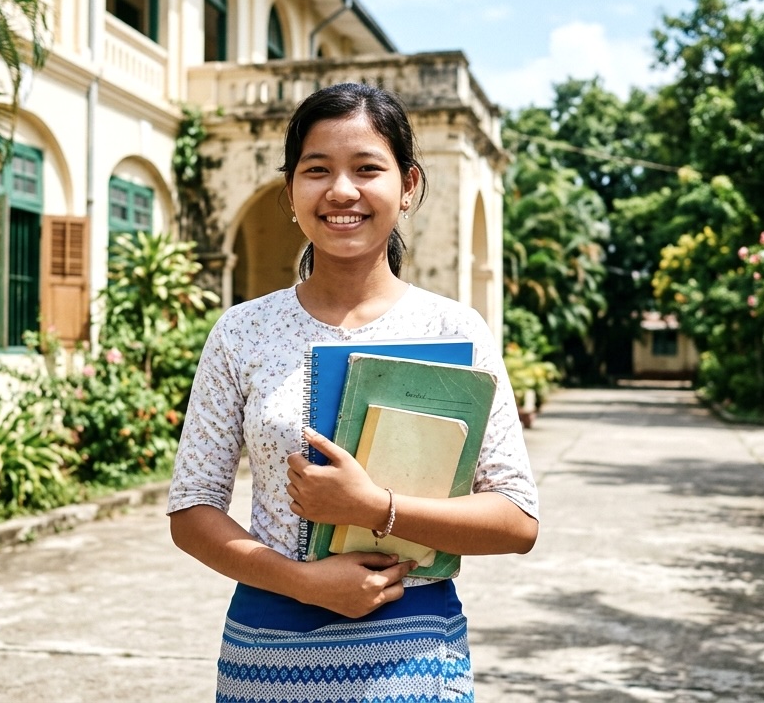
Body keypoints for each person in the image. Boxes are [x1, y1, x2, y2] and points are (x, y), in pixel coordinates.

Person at [167, 81, 539, 702]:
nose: (342, 191)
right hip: (269, 648)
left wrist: (375, 507)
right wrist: (302, 582)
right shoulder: (242, 332)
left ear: (409, 185)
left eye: (367, 168)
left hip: (413, 650)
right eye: (317, 170)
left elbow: (516, 519)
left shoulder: (453, 330)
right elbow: (192, 511)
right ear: (291, 191)